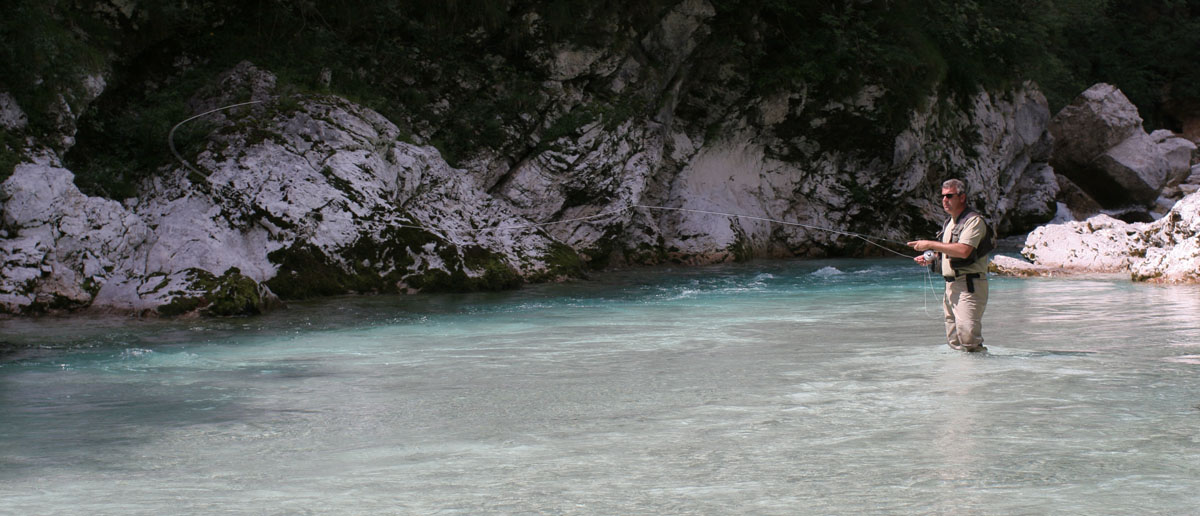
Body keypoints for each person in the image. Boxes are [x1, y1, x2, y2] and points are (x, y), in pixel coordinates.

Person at [907, 179, 991, 352]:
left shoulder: (973, 221)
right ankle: (960, 376)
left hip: (969, 286)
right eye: (943, 196)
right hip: (950, 287)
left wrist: (930, 244)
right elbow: (948, 252)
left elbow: (963, 251)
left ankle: (981, 375)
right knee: (954, 340)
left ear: (962, 197)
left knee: (969, 339)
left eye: (949, 196)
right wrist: (932, 258)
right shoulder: (949, 223)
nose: (945, 200)